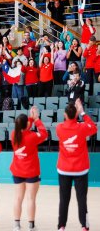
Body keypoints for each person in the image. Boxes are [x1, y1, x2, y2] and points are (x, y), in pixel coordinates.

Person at [56, 99, 97, 231]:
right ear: (76, 115)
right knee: (81, 200)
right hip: (80, 170)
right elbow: (94, 127)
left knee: (64, 199)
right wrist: (83, 112)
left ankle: (61, 226)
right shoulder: (82, 128)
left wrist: (76, 113)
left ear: (65, 115)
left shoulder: (59, 128)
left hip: (64, 170)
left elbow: (68, 122)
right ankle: (84, 226)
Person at [10, 106, 48, 231]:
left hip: (17, 171)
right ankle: (31, 226)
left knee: (17, 198)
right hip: (31, 171)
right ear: (26, 124)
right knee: (31, 199)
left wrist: (30, 119)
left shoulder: (13, 134)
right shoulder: (32, 136)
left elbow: (24, 129)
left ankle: (16, 225)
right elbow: (44, 134)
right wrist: (36, 119)